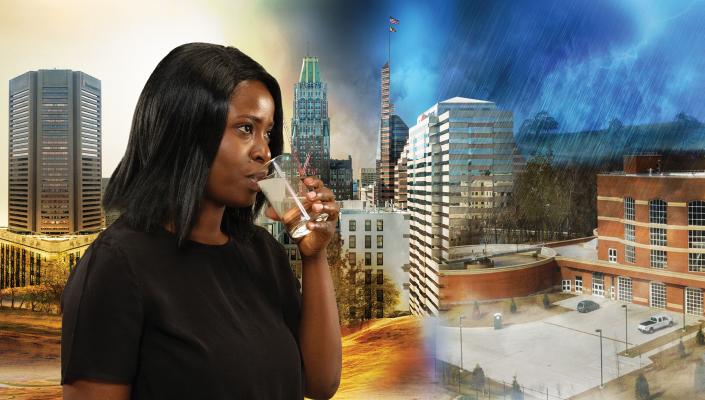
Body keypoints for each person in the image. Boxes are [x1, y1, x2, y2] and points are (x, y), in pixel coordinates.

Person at [60, 43, 342, 399]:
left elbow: (320, 383)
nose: (264, 151)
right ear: (187, 132)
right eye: (245, 128)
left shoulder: (263, 253)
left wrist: (315, 256)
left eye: (268, 132)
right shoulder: (117, 266)